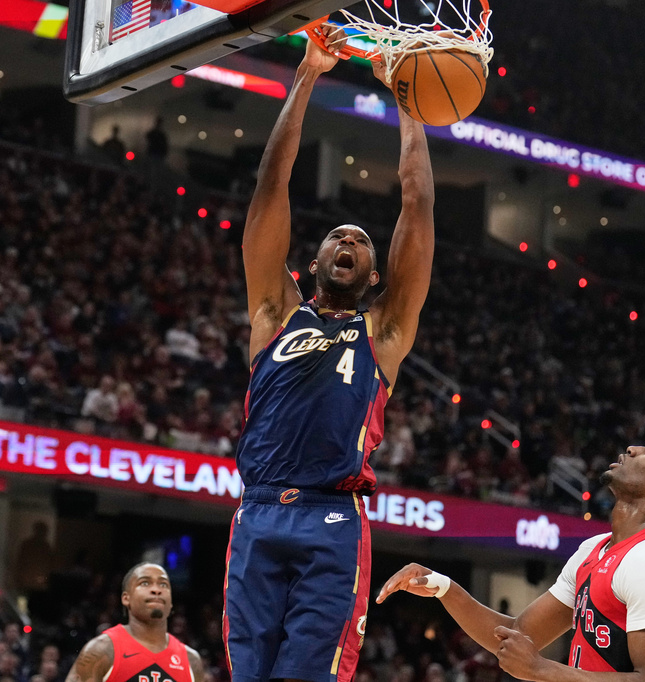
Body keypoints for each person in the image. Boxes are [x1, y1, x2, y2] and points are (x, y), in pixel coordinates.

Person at [223, 25, 435, 682]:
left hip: (332, 519)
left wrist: (408, 98)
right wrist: (309, 73)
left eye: (362, 242)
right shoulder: (274, 313)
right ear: (311, 261)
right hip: (256, 511)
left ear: (375, 276)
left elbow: (418, 202)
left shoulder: (384, 334)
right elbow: (271, 184)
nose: (349, 241)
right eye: (338, 236)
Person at [377, 437, 645, 682]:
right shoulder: (594, 550)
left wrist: (541, 670)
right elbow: (517, 635)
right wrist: (443, 587)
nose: (633, 448)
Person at [63, 563, 203, 682]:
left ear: (171, 602)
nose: (156, 590)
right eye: (145, 583)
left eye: (163, 584)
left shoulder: (192, 661)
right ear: (126, 598)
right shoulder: (101, 650)